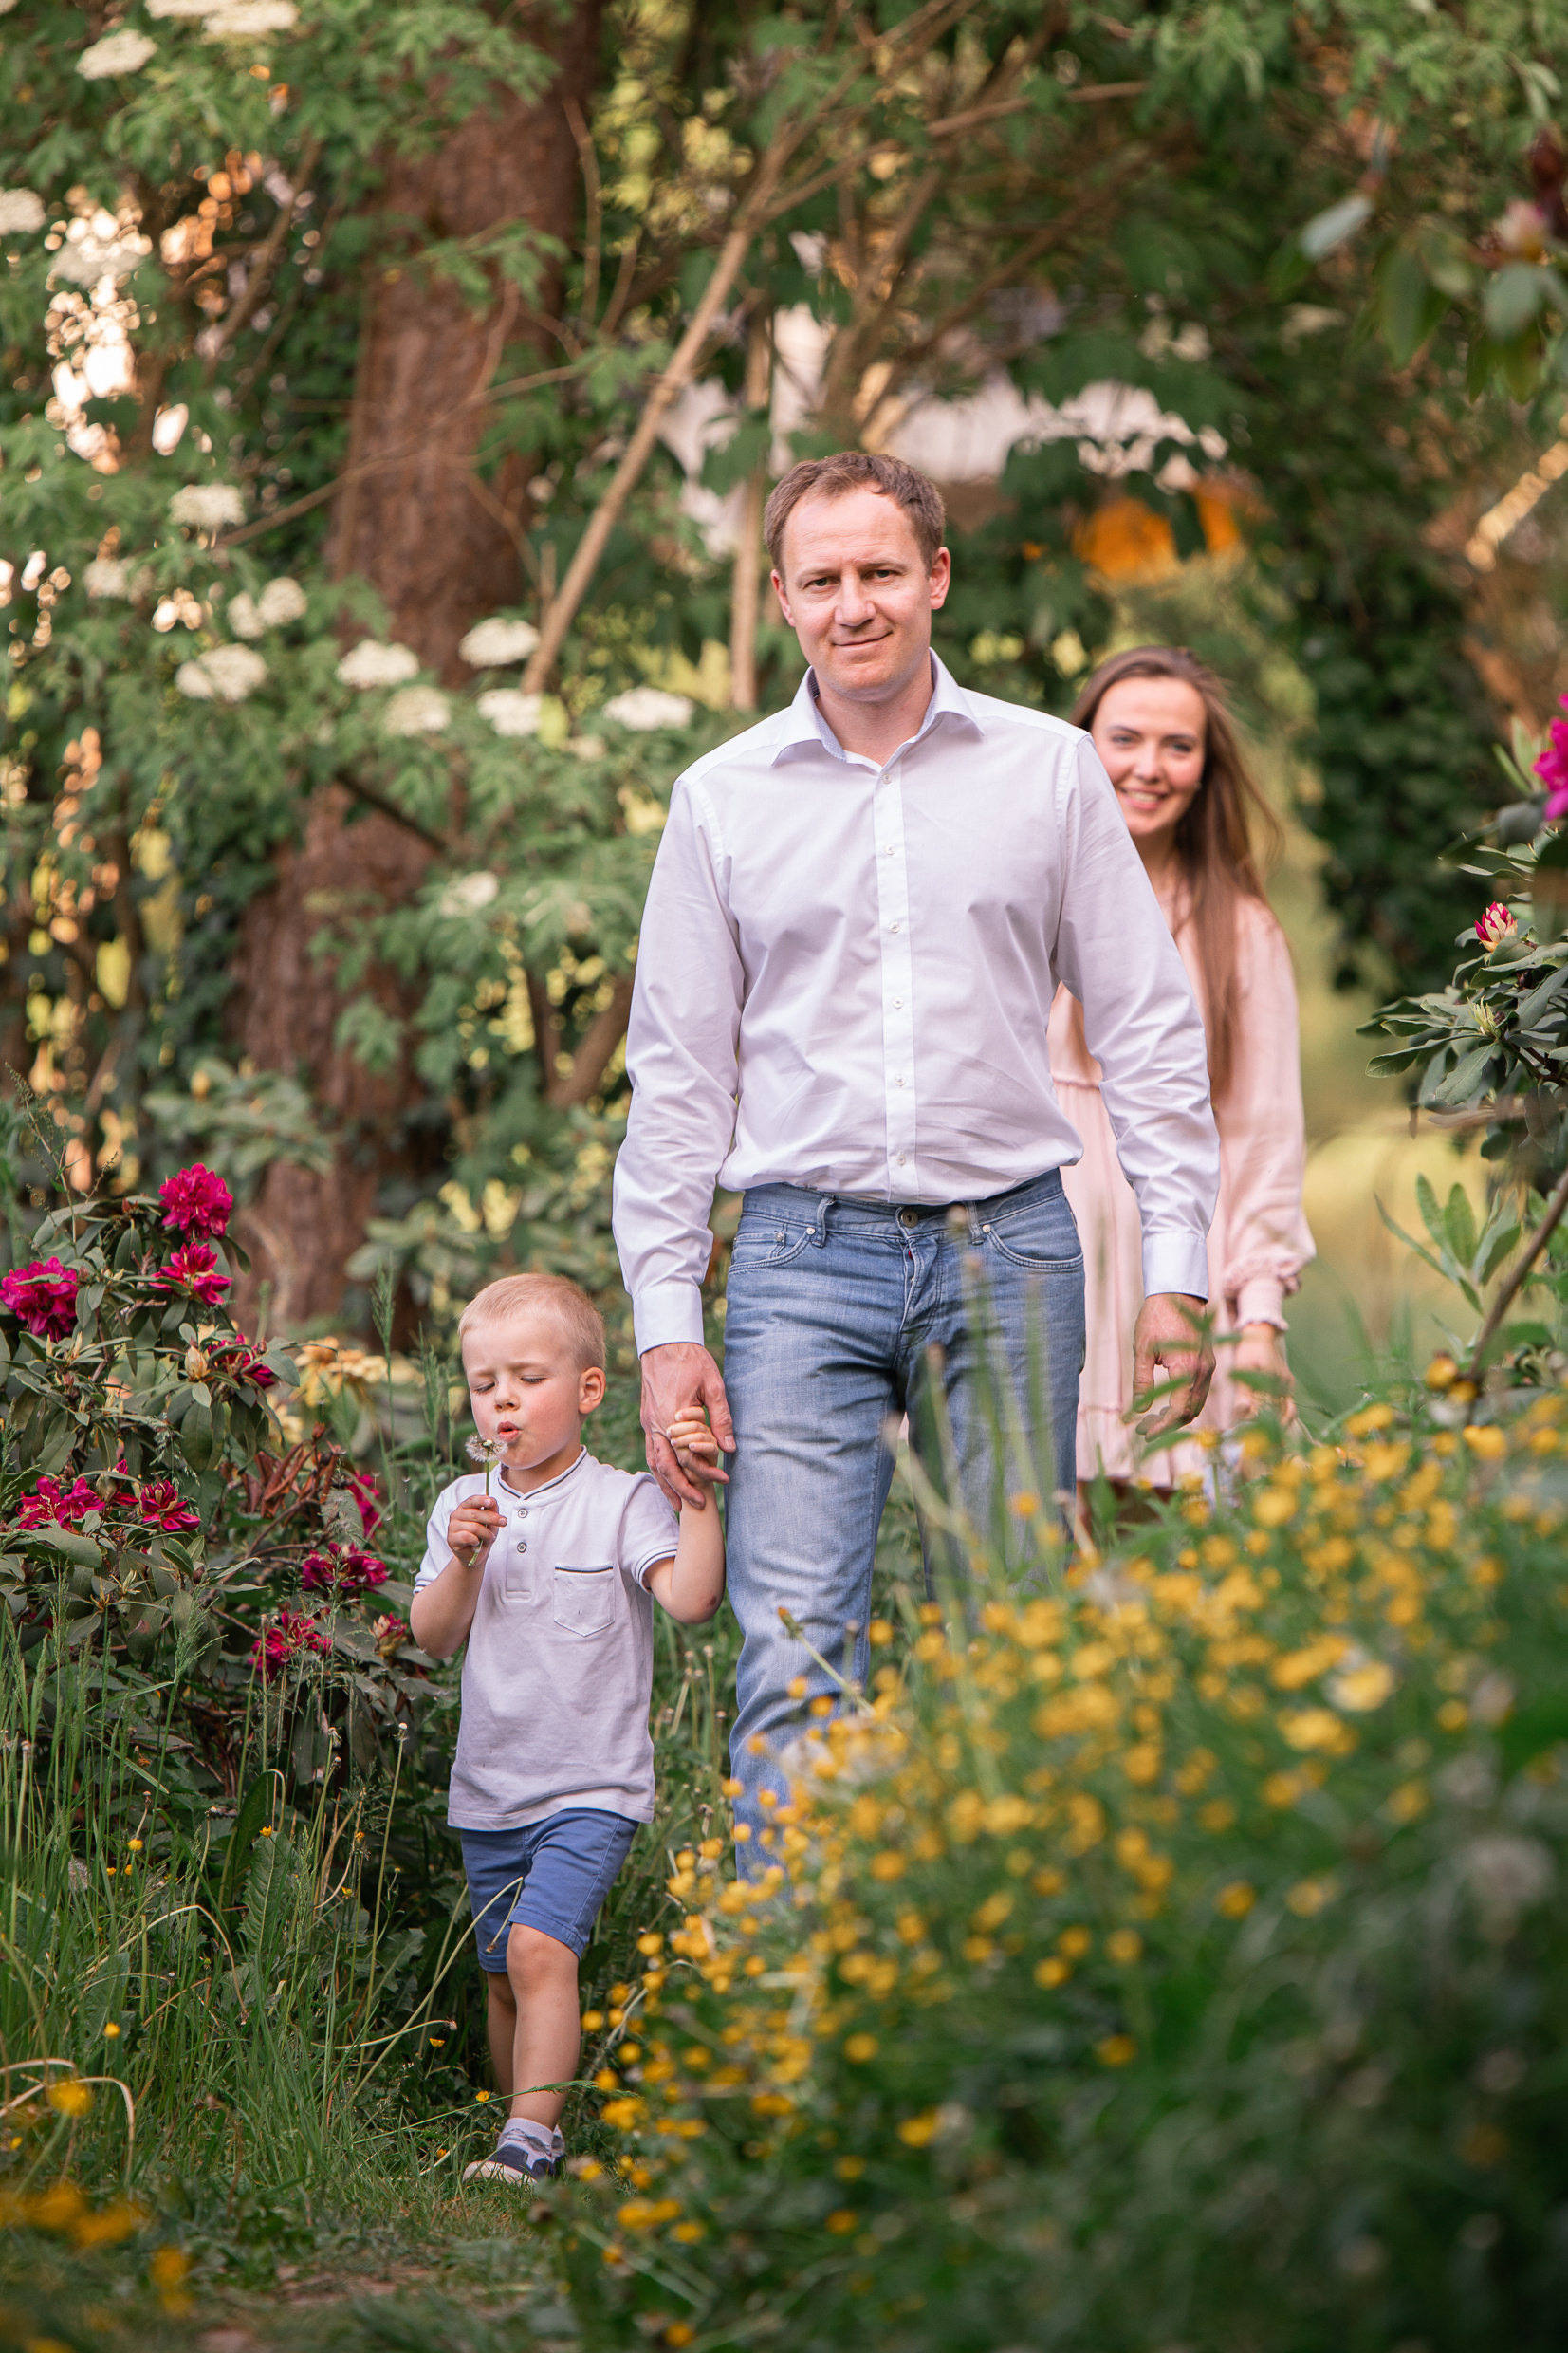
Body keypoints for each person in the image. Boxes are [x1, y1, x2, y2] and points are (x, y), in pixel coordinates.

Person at [611, 450, 1221, 1841]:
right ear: (780, 598)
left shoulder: (1049, 774)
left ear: (936, 577)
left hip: (1008, 1251)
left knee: (1013, 1648)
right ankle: (795, 2004)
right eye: (820, 580)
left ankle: (998, 1996)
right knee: (794, 1661)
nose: (854, 605)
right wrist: (662, 1322)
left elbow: (1147, 1033)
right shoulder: (722, 798)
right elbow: (679, 1080)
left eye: (881, 572)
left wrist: (1179, 1266)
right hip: (794, 1261)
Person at [409, 1271, 724, 2186]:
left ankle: (529, 2142)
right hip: (490, 1787)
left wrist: (696, 1493)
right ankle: (517, 2129)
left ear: (588, 1390)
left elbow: (693, 1600)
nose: (503, 1399)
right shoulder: (460, 1506)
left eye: (528, 1378)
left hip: (589, 1787)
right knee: (506, 1973)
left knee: (544, 1950)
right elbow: (431, 1639)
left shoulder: (622, 1501)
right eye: (484, 1384)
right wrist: (464, 1559)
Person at [1046, 645, 1315, 1500]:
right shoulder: (1019, 900)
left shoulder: (1240, 932)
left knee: (1175, 1564)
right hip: (1033, 1279)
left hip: (1173, 1286)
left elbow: (1262, 1136)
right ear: (1080, 746)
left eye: (1178, 746)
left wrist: (1260, 1314)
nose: (1148, 768)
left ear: (1205, 771)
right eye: (1123, 739)